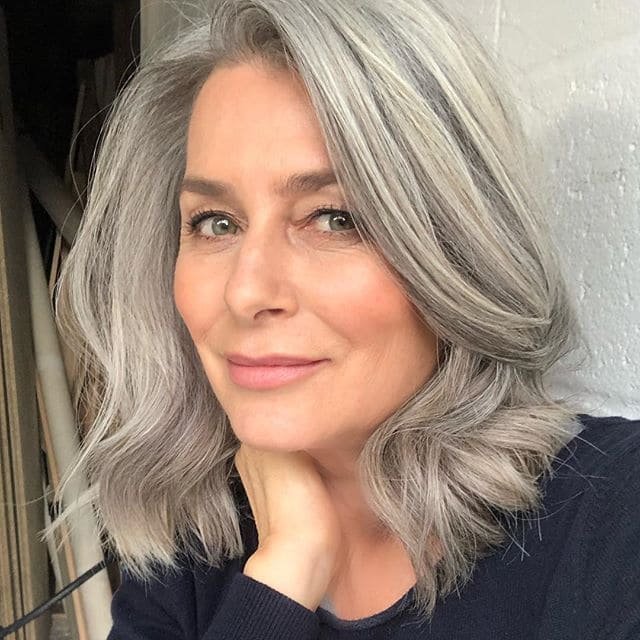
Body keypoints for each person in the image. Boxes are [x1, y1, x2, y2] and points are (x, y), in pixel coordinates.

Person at [46, 0, 640, 638]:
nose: (246, 292)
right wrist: (282, 574)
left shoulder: (615, 521)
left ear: (457, 250)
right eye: (216, 223)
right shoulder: (190, 545)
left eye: (335, 219)